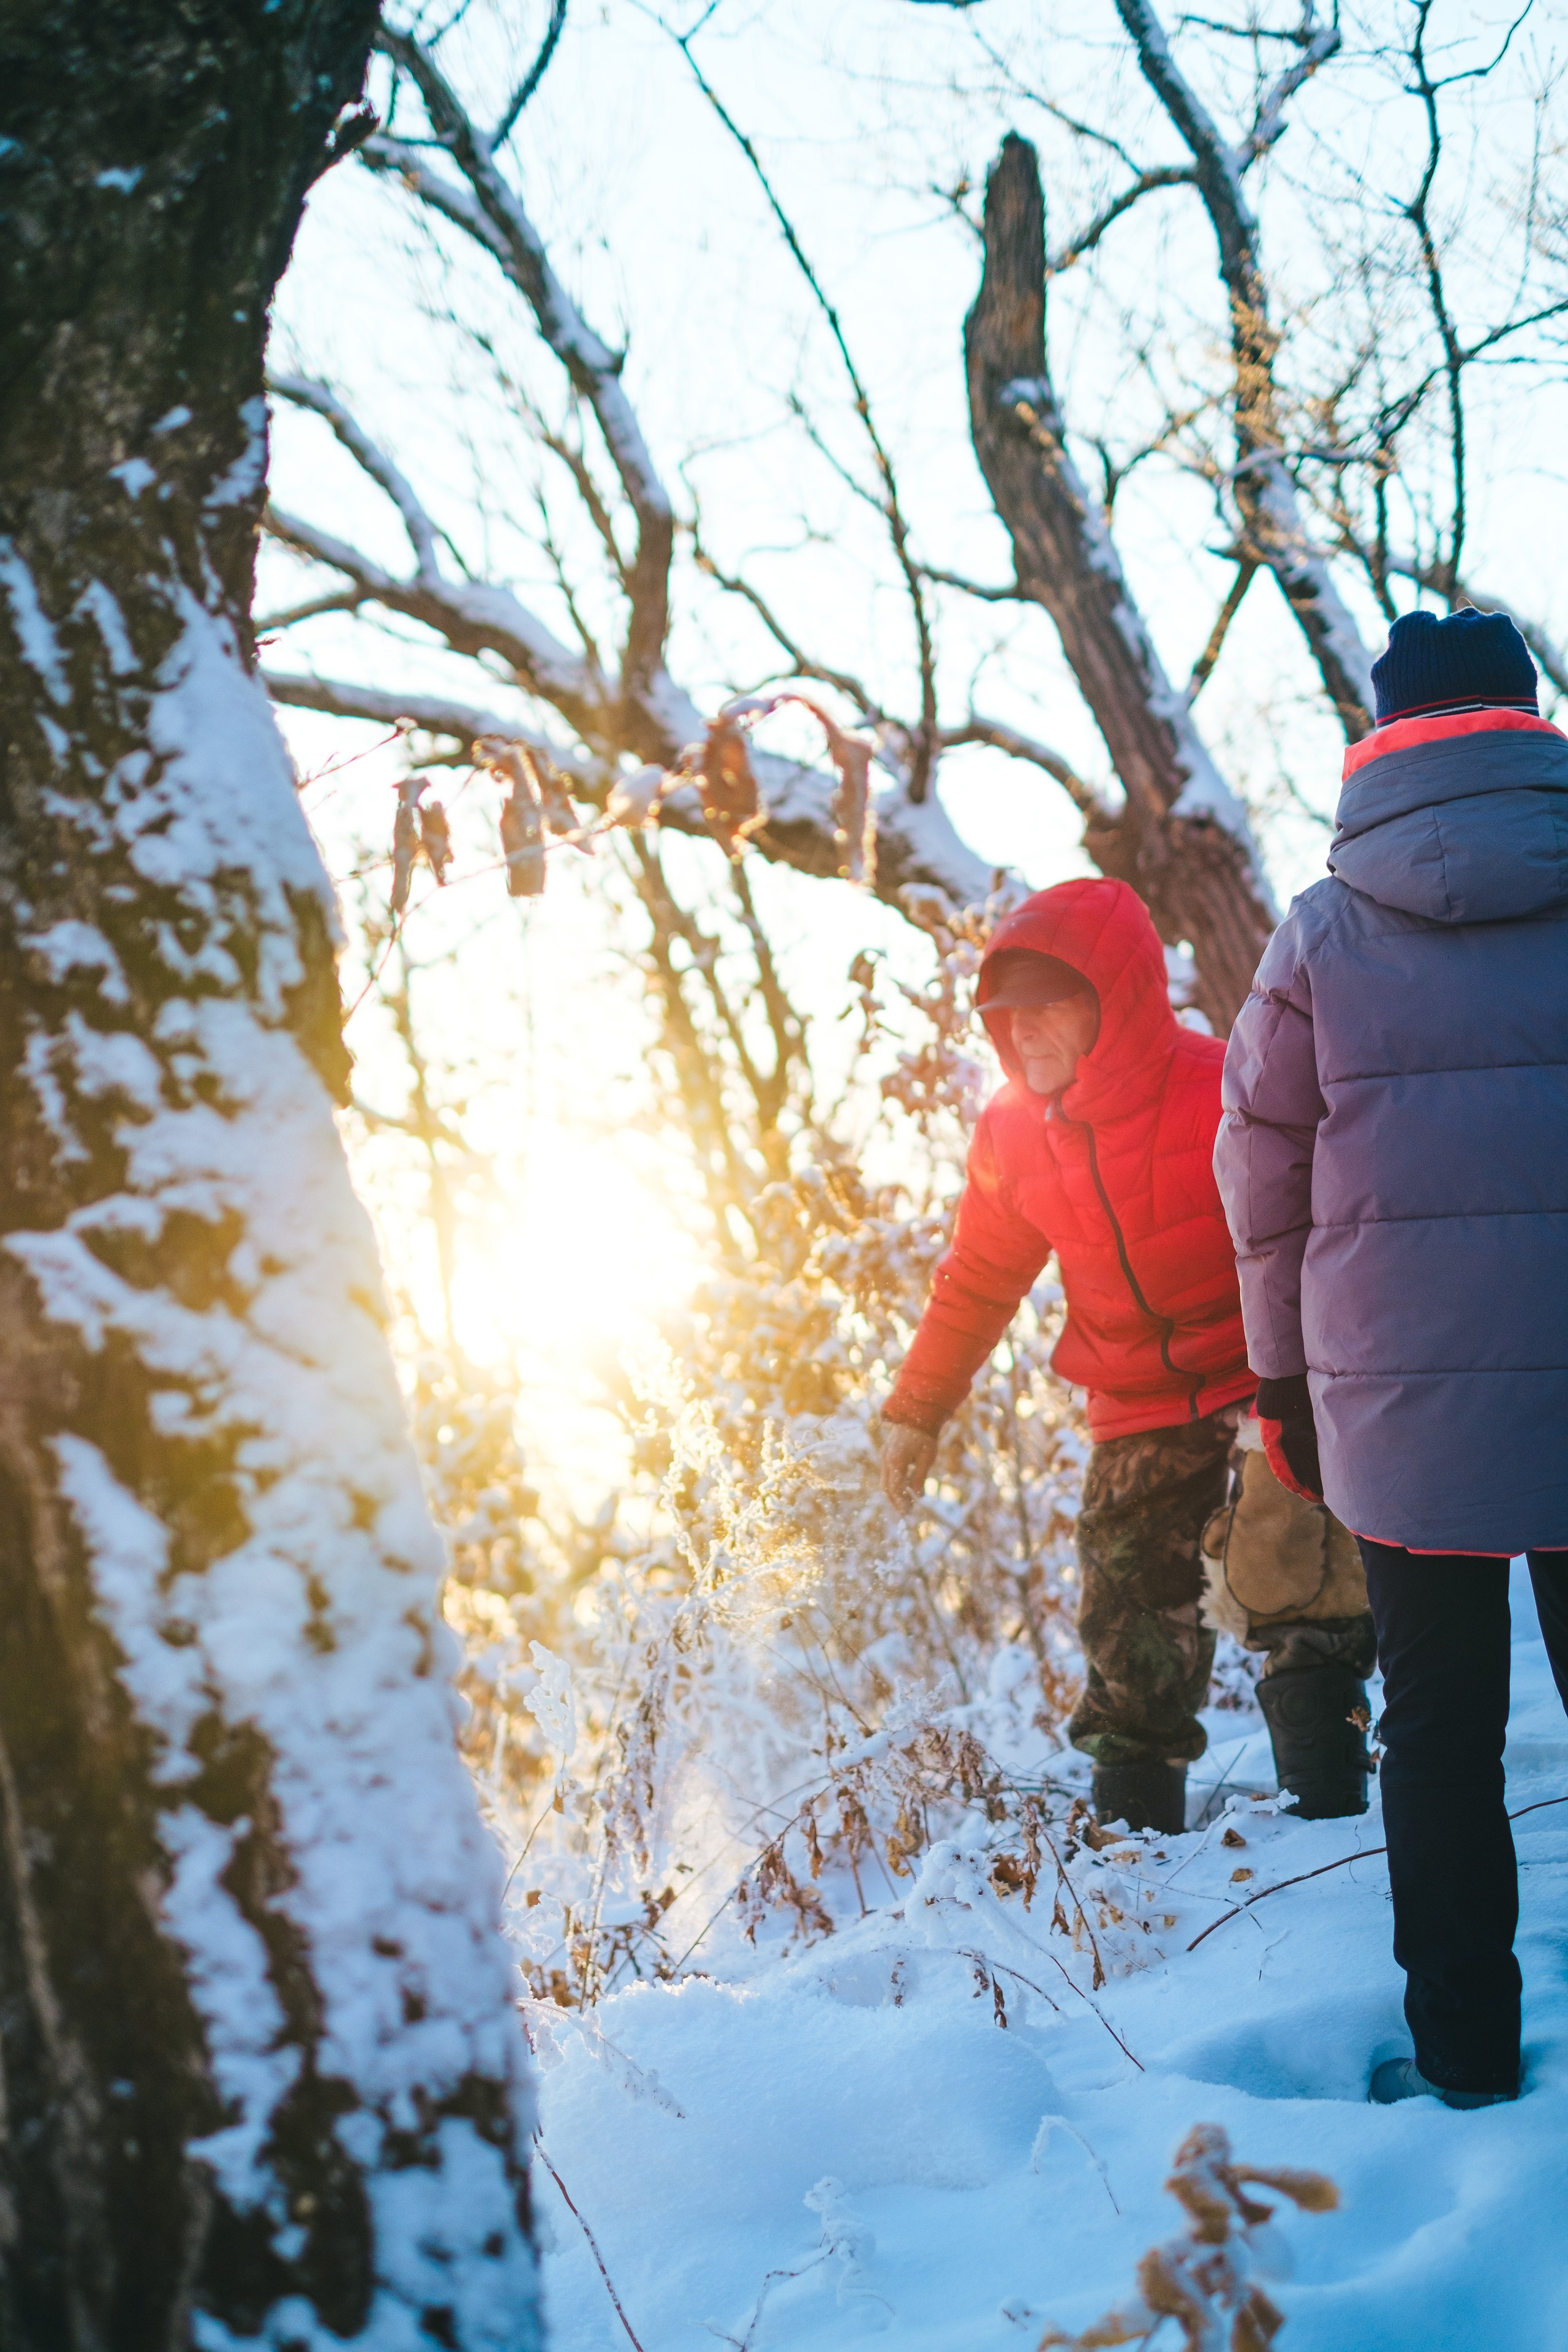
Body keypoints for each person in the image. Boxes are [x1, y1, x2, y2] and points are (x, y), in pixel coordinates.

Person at [1213, 604, 1568, 2111]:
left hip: (1399, 1395)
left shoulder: (1319, 932)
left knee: (1434, 1732)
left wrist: (1279, 1377)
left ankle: (1465, 2061)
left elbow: (1257, 1167)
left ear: (1381, 742)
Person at [880, 876, 1374, 1836]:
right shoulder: (1012, 1131)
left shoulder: (1221, 1088)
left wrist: (1331, 1372)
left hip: (1263, 1372)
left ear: (1116, 1001)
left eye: (1047, 1006)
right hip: (1135, 1398)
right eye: (1006, 1013)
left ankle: (1331, 1829)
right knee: (1127, 1626)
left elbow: (1322, 1222)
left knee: (1293, 1572)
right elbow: (977, 1278)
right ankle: (1137, 1863)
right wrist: (917, 1410)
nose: (1022, 1030)